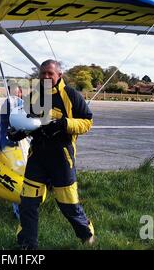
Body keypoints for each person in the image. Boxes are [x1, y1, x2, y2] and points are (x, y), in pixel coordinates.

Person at [9, 59, 95, 249]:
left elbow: (87, 122)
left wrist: (64, 124)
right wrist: (18, 132)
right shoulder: (33, 96)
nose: (46, 77)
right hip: (37, 157)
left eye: (50, 73)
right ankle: (27, 245)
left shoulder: (71, 95)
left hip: (62, 158)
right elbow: (27, 122)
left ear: (59, 75)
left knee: (68, 205)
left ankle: (87, 235)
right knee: (28, 204)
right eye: (43, 74)